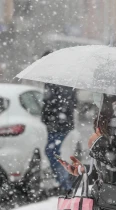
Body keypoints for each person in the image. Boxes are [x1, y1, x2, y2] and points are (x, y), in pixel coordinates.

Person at [41, 50, 77, 192]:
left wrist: (58, 116)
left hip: (60, 123)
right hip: (55, 122)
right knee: (52, 151)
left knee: (51, 151)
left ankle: (65, 184)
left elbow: (68, 102)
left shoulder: (60, 78)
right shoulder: (53, 78)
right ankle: (63, 182)